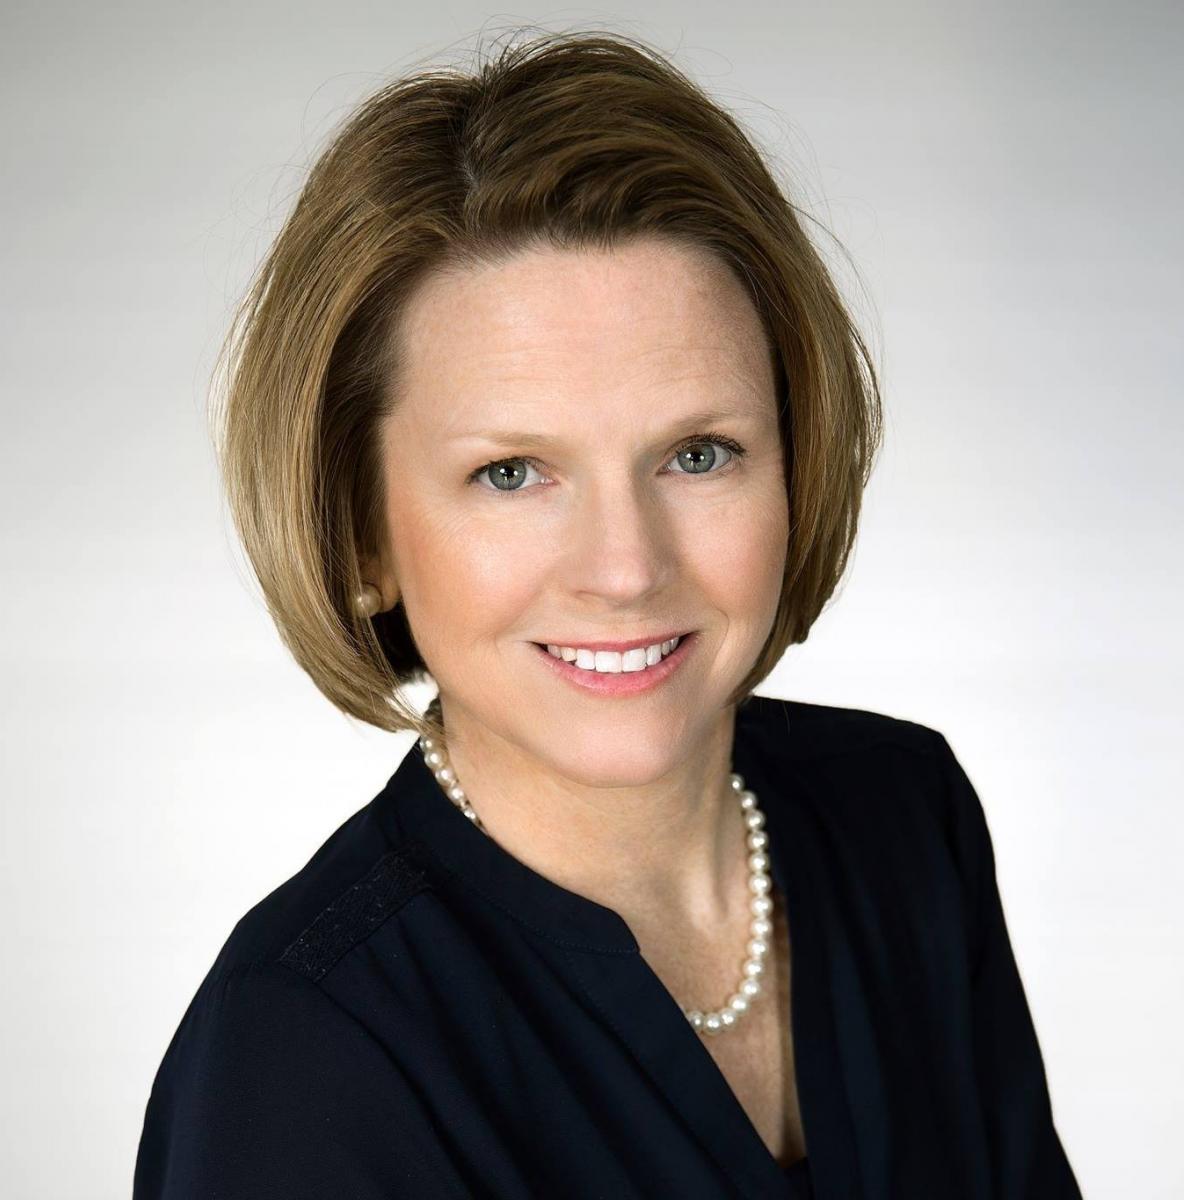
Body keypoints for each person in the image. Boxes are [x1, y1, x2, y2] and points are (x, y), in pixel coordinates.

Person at [133, 29, 1083, 1199]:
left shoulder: (902, 819)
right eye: (512, 473)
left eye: (699, 452)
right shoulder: (299, 1055)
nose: (626, 568)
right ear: (361, 535)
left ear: (796, 465)